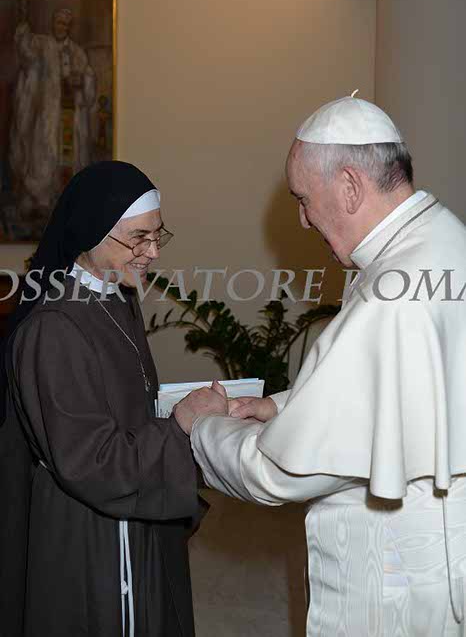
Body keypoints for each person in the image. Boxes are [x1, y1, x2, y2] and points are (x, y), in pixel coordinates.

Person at [175, 96, 466, 636]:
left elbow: (279, 471)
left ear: (350, 186)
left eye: (304, 200)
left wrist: (203, 427)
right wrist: (280, 406)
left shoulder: (390, 294)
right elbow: (403, 387)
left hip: (391, 576)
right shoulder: (442, 239)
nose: (303, 219)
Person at [0, 160, 227, 637]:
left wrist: (181, 411)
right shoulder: (53, 328)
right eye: (138, 238)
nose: (151, 253)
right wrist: (180, 426)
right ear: (90, 231)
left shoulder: (116, 295)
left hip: (129, 499)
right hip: (90, 527)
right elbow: (90, 461)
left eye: (157, 236)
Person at [9, 0, 96, 230]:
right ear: (53, 24)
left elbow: (89, 79)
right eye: (59, 23)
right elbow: (25, 50)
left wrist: (82, 81)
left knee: (70, 159)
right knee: (43, 155)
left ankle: (67, 204)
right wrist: (23, 16)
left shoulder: (77, 52)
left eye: (66, 24)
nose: (62, 27)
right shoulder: (43, 46)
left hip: (70, 116)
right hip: (48, 116)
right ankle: (42, 202)